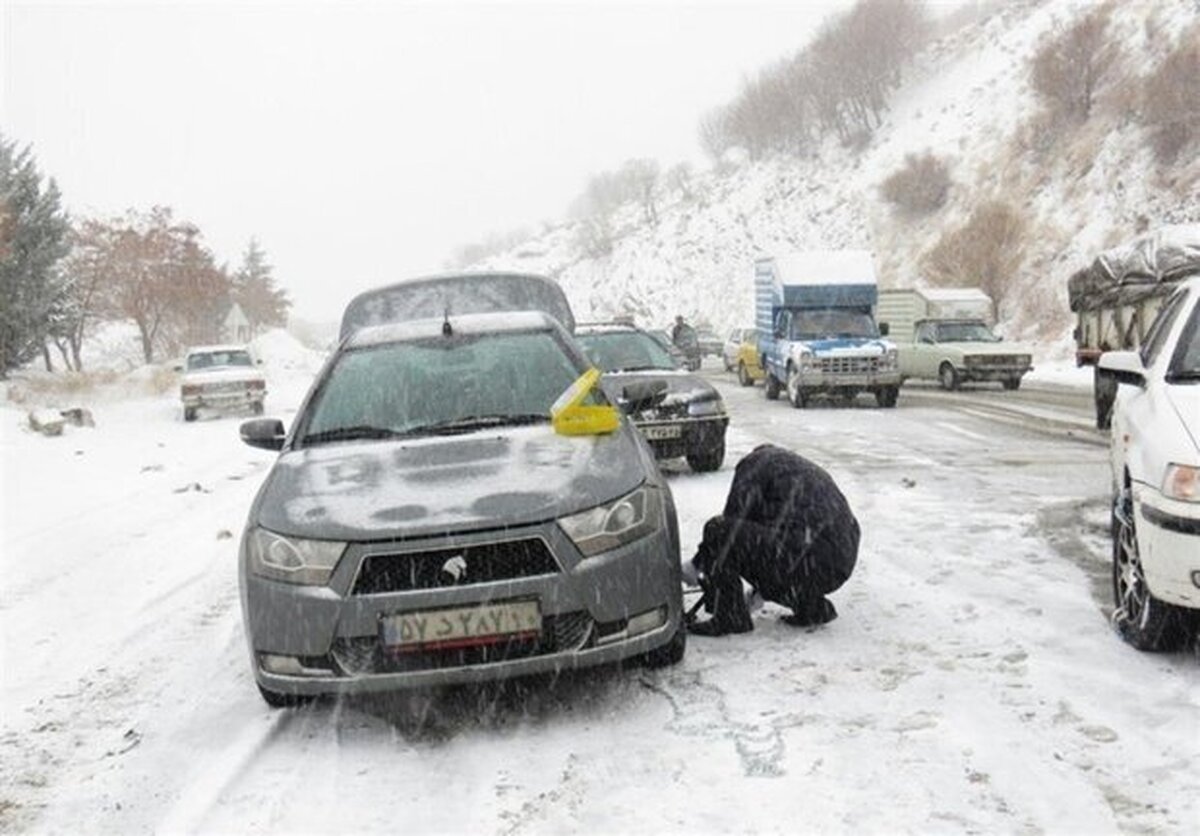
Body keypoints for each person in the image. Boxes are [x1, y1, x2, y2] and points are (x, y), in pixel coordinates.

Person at [686, 444, 859, 636]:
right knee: (783, 555)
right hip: (839, 560)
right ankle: (812, 609)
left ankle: (730, 618)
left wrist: (697, 564)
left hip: (811, 551)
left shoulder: (754, 464)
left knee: (717, 529)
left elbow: (731, 523)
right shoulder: (794, 470)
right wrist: (762, 585)